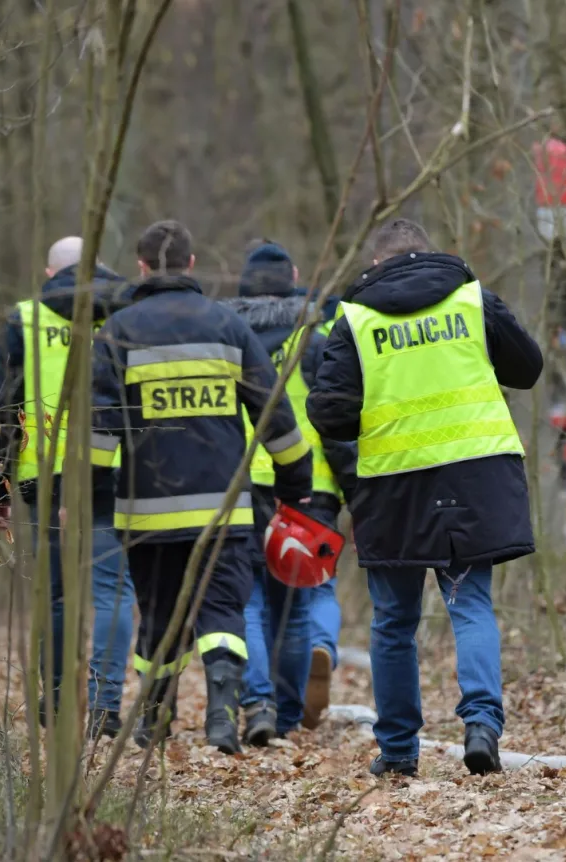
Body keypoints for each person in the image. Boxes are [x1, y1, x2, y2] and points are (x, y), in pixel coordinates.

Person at [307, 218, 542, 776]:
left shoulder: (356, 319)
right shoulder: (470, 301)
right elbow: (528, 368)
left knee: (393, 622)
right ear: (431, 253)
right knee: (471, 606)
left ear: (374, 265)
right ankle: (482, 724)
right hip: (476, 477)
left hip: (395, 487)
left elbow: (328, 412)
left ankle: (398, 753)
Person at [91, 220, 312, 754]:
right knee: (223, 612)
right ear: (191, 264)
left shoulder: (117, 332)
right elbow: (274, 415)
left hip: (146, 512)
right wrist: (293, 486)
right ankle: (220, 719)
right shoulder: (226, 326)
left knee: (160, 616)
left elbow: (96, 434)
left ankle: (152, 719)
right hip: (223, 507)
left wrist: (99, 503)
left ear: (142, 268)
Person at [0, 236, 135, 738]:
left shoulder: (27, 317)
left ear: (50, 275)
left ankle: (56, 698)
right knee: (113, 589)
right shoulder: (126, 312)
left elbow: (1, 403)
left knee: (57, 594)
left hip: (44, 475)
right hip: (116, 468)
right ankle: (106, 704)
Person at [222, 241, 358, 745]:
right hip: (311, 488)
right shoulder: (318, 338)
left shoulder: (227, 339)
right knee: (303, 600)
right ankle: (289, 709)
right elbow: (338, 423)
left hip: (242, 488)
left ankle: (256, 705)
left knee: (250, 602)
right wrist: (356, 492)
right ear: (296, 278)